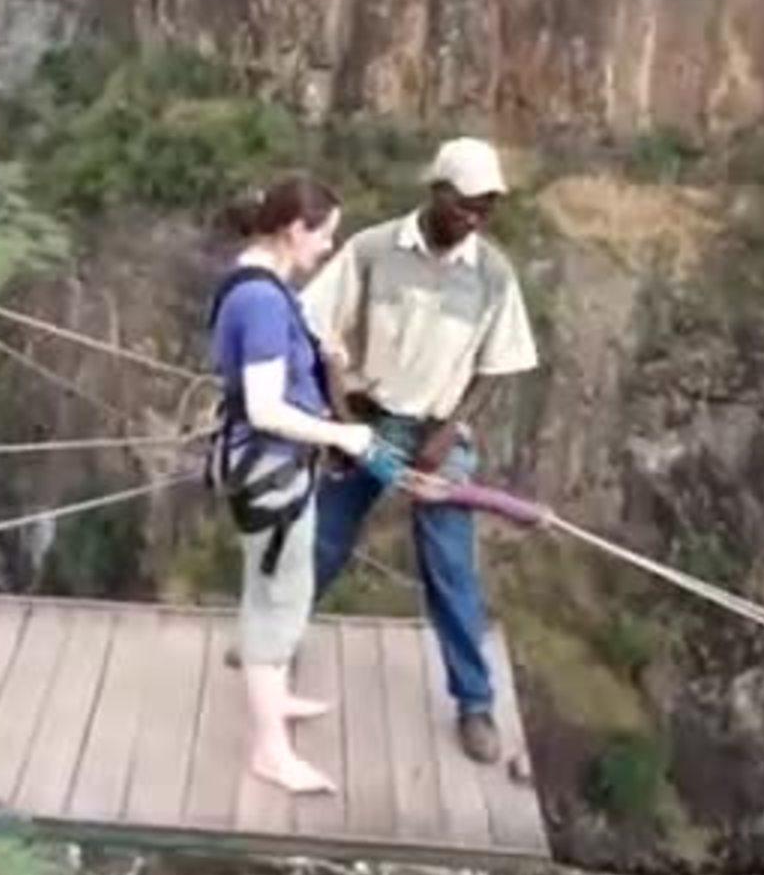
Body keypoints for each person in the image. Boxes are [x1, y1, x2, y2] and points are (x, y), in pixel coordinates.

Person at [301, 138, 539, 764]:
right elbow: (321, 330)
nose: (475, 219)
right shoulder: (373, 250)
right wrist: (341, 420)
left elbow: (496, 367)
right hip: (369, 418)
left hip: (438, 429)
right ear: (437, 192)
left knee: (450, 569)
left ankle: (475, 704)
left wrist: (450, 430)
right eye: (465, 205)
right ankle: (275, 639)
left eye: (486, 209)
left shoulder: (493, 275)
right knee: (322, 540)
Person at [209, 174, 406, 794]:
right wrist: (344, 436)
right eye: (325, 235)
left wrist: (323, 357)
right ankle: (271, 751)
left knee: (271, 591)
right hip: (272, 470)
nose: (328, 247)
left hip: (271, 467)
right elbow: (266, 407)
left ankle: (274, 699)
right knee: (278, 603)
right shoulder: (264, 302)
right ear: (296, 230)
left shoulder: (260, 284)